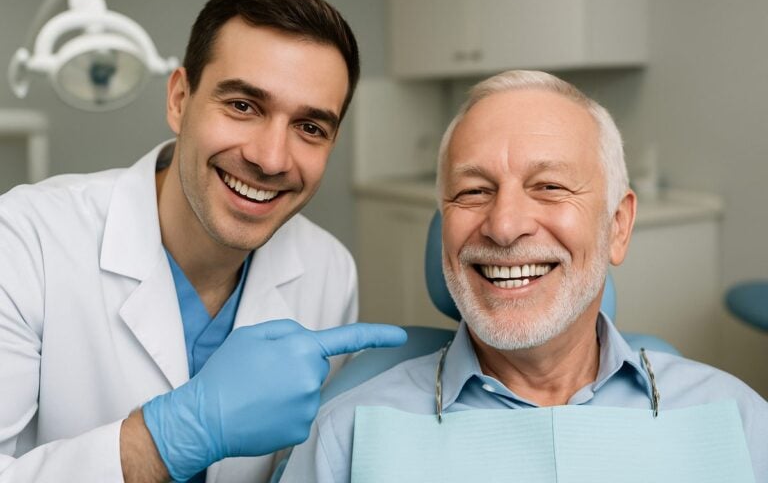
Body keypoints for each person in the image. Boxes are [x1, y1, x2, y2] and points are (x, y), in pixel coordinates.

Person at [0, 0, 406, 483]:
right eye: (243, 106)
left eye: (310, 128)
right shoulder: (25, 240)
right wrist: (168, 439)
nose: (271, 159)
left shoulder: (328, 269)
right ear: (179, 99)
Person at [279, 70, 768, 482]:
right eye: (473, 191)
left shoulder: (738, 422)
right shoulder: (346, 438)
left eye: (549, 186)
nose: (505, 225)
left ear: (618, 226)